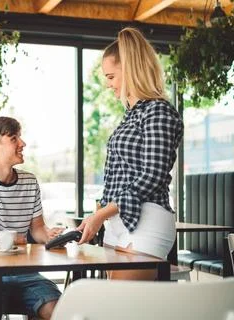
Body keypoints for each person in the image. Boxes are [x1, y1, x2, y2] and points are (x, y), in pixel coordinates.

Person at [76, 27, 184, 280]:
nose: (108, 84)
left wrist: (101, 214)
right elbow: (120, 176)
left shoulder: (158, 112)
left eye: (111, 76)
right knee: (117, 307)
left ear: (131, 69)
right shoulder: (130, 115)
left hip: (147, 221)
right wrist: (99, 214)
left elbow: (152, 177)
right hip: (117, 224)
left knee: (124, 304)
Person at [0, 116, 63, 319]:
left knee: (60, 312)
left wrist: (50, 236)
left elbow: (37, 228)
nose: (22, 143)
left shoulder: (29, 181)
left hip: (27, 274)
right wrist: (15, 238)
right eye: (14, 138)